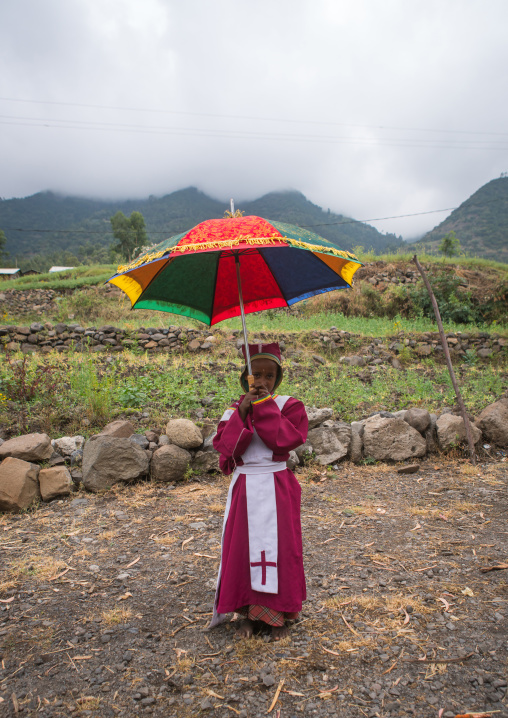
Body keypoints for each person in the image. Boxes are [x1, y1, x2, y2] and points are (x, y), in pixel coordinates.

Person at [210, 342, 308, 641]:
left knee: (281, 549)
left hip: (277, 486)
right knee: (242, 550)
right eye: (256, 376)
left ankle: (278, 615)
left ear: (277, 379)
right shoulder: (233, 411)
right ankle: (247, 614)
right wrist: (242, 412)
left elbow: (284, 441)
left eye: (269, 375)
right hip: (245, 487)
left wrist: (264, 408)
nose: (262, 381)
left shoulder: (290, 406)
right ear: (246, 378)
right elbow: (226, 450)